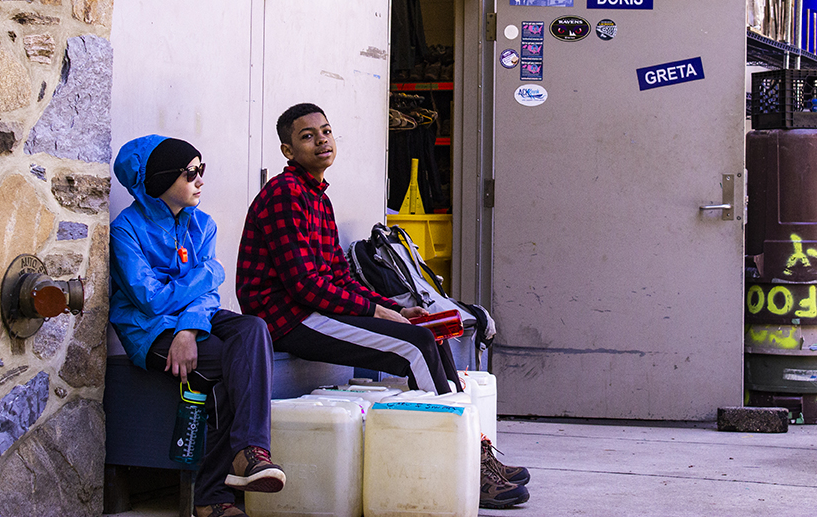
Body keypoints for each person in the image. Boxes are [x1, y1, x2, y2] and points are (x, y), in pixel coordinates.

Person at [236, 103, 530, 508]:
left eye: (326, 131)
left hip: (318, 310)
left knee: (427, 333)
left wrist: (393, 308)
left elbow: (339, 275)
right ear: (287, 151)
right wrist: (375, 312)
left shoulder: (317, 195)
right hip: (290, 318)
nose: (322, 140)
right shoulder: (285, 195)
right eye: (307, 136)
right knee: (413, 348)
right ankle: (468, 467)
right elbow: (304, 285)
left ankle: (472, 453)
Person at [109, 135, 285, 517]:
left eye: (201, 170)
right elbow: (149, 299)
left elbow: (207, 296)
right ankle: (211, 496)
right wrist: (208, 273)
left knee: (253, 328)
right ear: (159, 182)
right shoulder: (126, 229)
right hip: (149, 330)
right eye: (191, 173)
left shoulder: (202, 224)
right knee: (225, 364)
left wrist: (188, 329)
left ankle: (250, 452)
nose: (201, 180)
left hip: (192, 322)